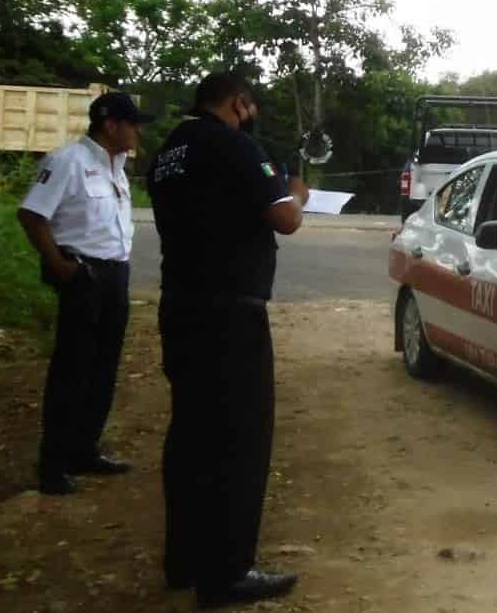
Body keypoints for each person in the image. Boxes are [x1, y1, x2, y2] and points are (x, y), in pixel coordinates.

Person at [147, 72, 310, 608]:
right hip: (230, 314)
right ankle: (228, 572)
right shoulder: (235, 145)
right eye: (250, 105)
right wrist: (298, 193)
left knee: (191, 435)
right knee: (238, 442)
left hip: (182, 306)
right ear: (239, 103)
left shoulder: (171, 149)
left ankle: (184, 560)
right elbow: (285, 218)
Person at [17, 92, 153, 495]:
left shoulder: (118, 166)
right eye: (133, 124)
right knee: (72, 370)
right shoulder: (67, 162)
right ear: (110, 125)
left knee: (103, 368)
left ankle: (84, 449)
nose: (138, 131)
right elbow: (31, 214)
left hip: (115, 274)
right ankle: (53, 464)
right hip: (83, 273)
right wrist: (59, 265)